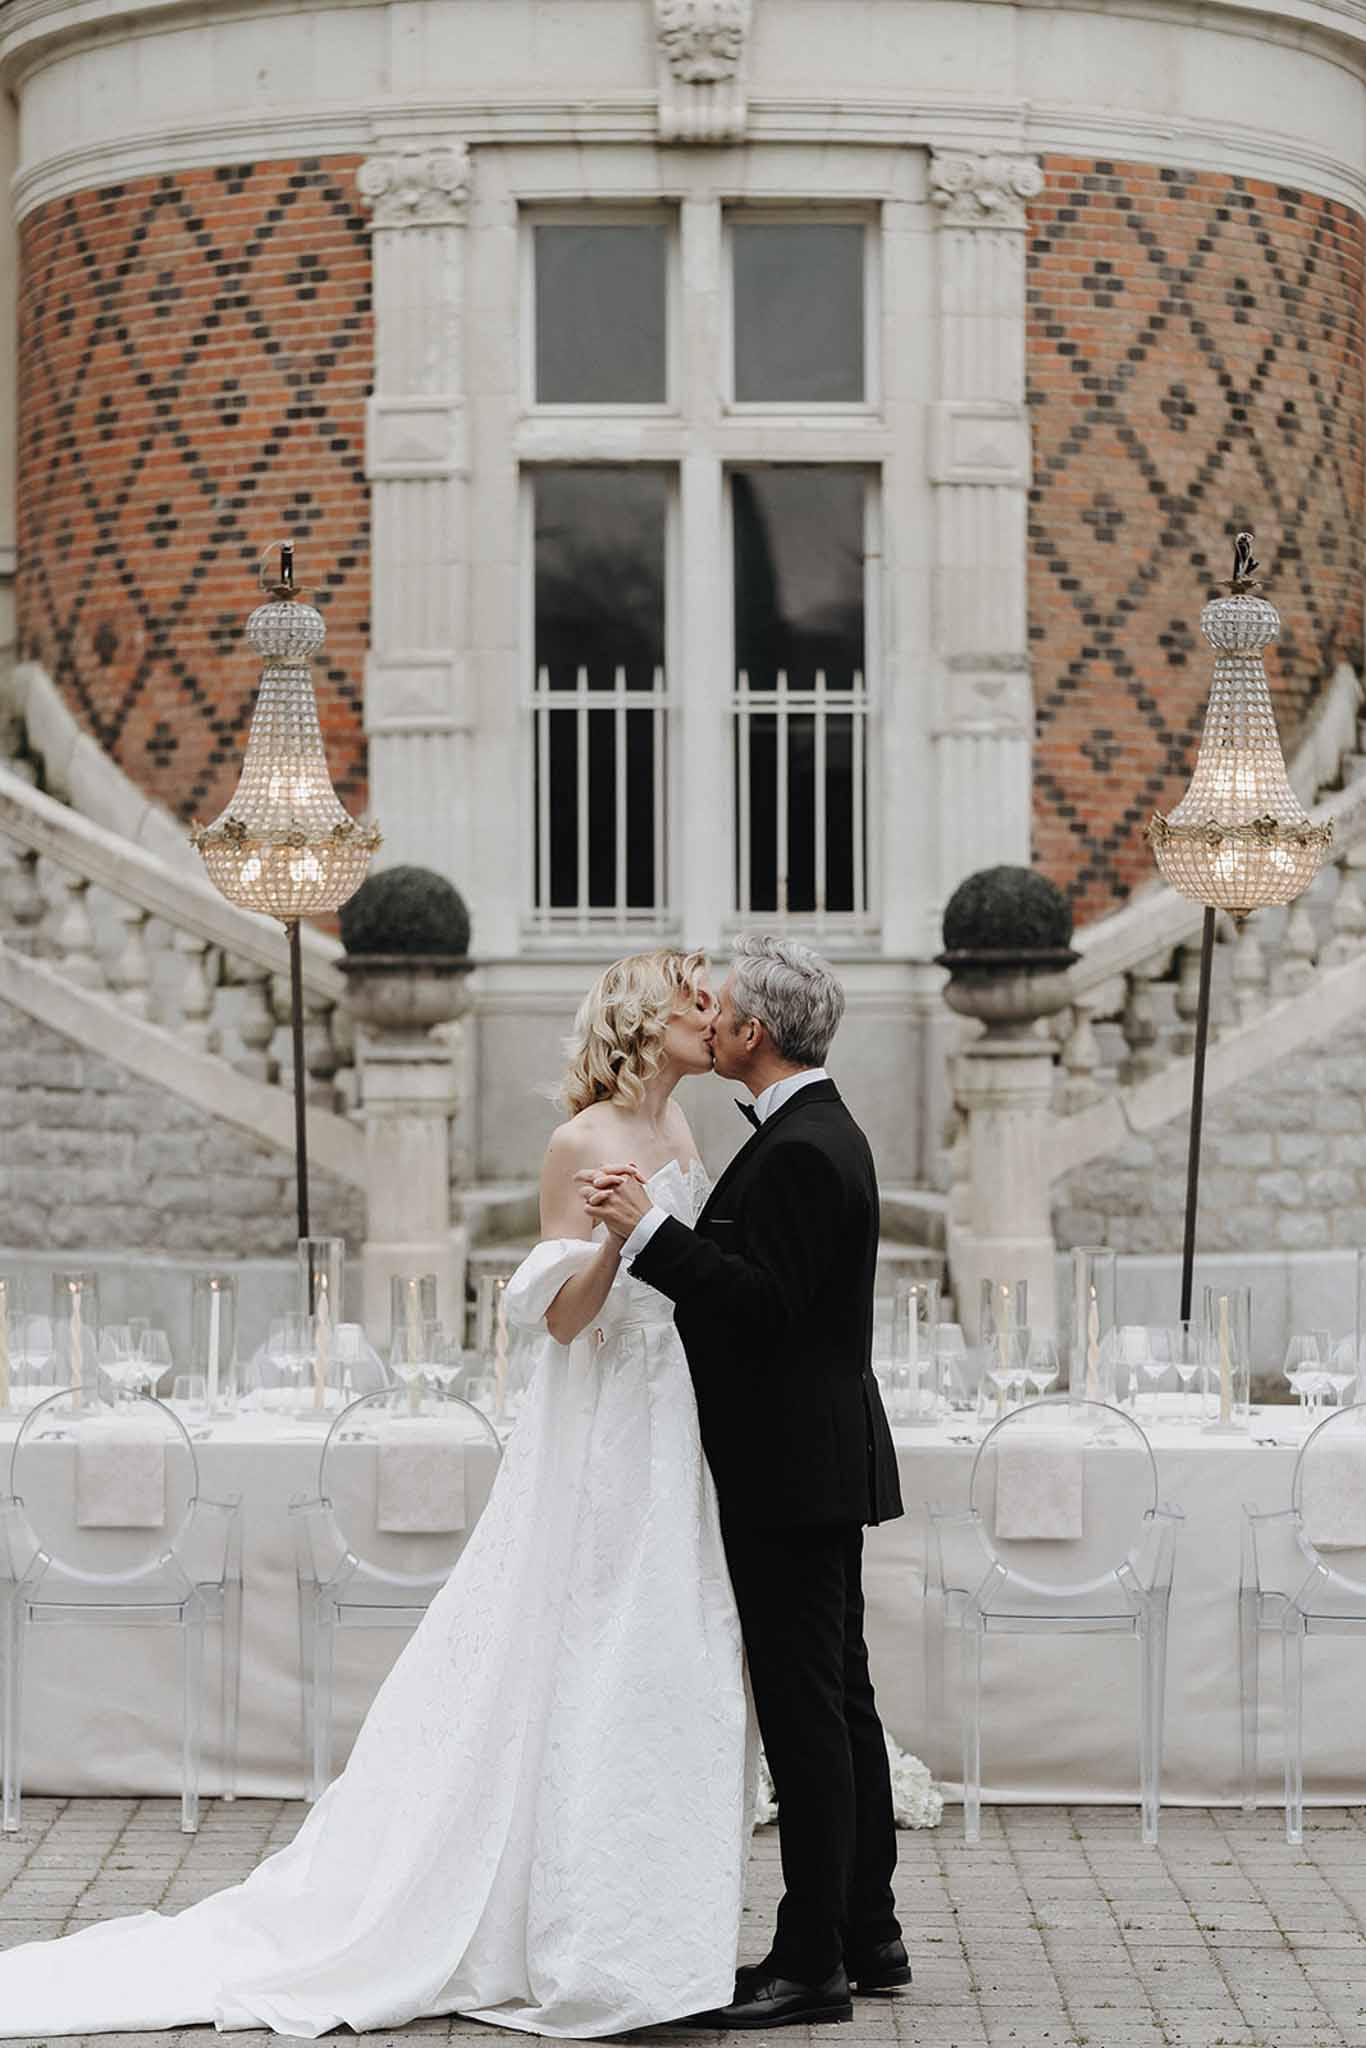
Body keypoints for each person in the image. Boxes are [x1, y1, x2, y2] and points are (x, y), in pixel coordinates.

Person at [0, 947, 754, 2039]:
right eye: (688, 1004)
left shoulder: (688, 1131)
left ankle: (633, 1923)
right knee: (577, 1640)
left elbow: (689, 1274)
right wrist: (612, 1234)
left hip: (669, 1419)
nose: (707, 1014)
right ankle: (525, 1916)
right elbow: (561, 1319)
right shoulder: (579, 1141)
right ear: (643, 1023)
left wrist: (659, 1239)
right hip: (598, 1429)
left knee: (655, 1651)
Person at [583, 932, 906, 2031]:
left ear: (750, 1033)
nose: (706, 1019)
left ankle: (811, 1957)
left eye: (718, 1009)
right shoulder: (811, 1130)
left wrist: (650, 1235)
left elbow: (761, 1303)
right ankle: (869, 1927)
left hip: (789, 1468)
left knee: (808, 1714)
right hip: (813, 1458)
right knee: (841, 1699)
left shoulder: (808, 1145)